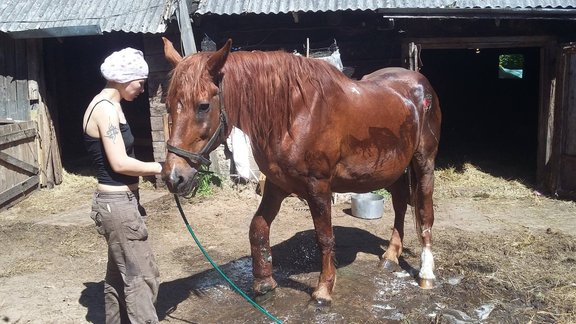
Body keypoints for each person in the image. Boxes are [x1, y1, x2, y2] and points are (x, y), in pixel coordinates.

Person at [83, 47, 163, 324]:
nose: (142, 88)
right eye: (140, 82)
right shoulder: (104, 109)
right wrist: (158, 168)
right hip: (117, 205)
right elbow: (119, 163)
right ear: (123, 79)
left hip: (122, 203)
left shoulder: (112, 106)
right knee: (142, 277)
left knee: (119, 278)